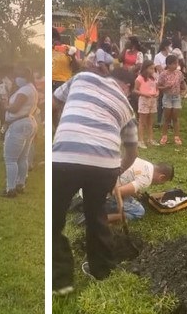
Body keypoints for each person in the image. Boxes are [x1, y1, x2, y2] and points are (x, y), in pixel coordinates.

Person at [52, 67, 138, 292]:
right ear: (127, 87)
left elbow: (53, 104)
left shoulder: (82, 77)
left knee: (53, 217)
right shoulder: (128, 108)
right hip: (105, 167)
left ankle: (61, 281)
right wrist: (116, 171)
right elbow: (132, 153)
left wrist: (59, 129)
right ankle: (103, 271)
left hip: (65, 156)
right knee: (96, 215)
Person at [0, 68, 38, 198]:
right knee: (23, 157)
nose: (16, 79)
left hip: (18, 124)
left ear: (24, 77)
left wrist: (6, 105)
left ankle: (10, 189)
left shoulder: (24, 91)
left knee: (10, 159)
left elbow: (15, 109)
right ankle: (20, 183)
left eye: (18, 76)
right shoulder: (31, 88)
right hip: (27, 122)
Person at [104, 159, 174, 223]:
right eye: (162, 183)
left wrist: (132, 191)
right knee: (138, 211)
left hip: (102, 177)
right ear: (161, 177)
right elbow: (116, 192)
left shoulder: (147, 164)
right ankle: (101, 219)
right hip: (103, 193)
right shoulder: (147, 178)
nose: (159, 184)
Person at [158, 55, 185, 145]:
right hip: (167, 96)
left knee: (175, 117)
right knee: (167, 117)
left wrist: (183, 93)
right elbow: (158, 86)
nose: (175, 65)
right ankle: (164, 135)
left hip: (176, 97)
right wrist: (165, 87)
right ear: (168, 64)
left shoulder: (179, 74)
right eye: (173, 64)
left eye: (176, 63)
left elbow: (183, 85)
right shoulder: (163, 74)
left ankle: (176, 136)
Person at [134, 60, 158, 148]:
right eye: (151, 68)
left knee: (150, 121)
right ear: (145, 68)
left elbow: (156, 88)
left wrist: (157, 93)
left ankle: (150, 139)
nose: (153, 70)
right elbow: (135, 90)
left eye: (153, 68)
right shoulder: (139, 78)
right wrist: (144, 94)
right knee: (142, 121)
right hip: (144, 100)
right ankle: (140, 140)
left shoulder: (153, 78)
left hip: (152, 100)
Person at [154, 39, 172, 126]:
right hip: (161, 82)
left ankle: (169, 121)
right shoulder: (158, 57)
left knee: (170, 102)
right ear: (166, 47)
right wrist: (168, 67)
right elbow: (160, 70)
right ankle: (159, 121)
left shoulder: (170, 56)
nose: (170, 48)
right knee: (161, 101)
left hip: (171, 82)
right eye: (170, 46)